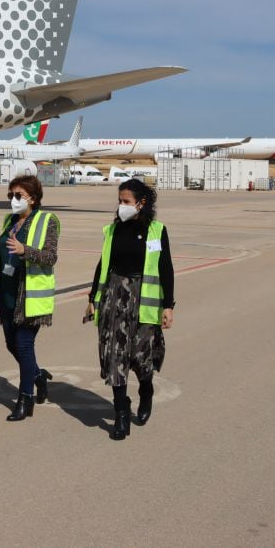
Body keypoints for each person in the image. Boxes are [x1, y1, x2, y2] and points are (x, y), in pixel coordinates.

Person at [84, 178, 175, 440]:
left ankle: (145, 391)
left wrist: (168, 305)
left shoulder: (157, 231)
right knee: (115, 356)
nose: (121, 205)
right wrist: (92, 297)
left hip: (144, 299)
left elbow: (165, 269)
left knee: (141, 358)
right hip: (114, 297)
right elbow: (103, 265)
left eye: (126, 201)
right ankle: (121, 413)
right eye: (120, 200)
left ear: (141, 203)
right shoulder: (113, 230)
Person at [0, 175, 58, 421]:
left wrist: (26, 251)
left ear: (32, 198)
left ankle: (25, 399)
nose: (13, 200)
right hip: (6, 293)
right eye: (10, 195)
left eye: (18, 195)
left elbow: (50, 256)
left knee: (23, 345)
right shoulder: (10, 220)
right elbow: (3, 249)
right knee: (12, 345)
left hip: (29, 297)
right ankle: (38, 376)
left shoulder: (47, 221)